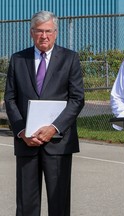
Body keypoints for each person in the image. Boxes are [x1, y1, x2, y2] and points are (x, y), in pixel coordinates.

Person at [4, 11, 84, 216]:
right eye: (39, 31)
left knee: (59, 204)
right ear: (32, 33)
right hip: (26, 142)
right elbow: (10, 99)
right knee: (26, 205)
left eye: (48, 31)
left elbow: (77, 99)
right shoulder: (18, 59)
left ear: (56, 33)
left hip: (58, 142)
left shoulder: (70, 58)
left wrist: (54, 128)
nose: (44, 36)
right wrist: (22, 131)